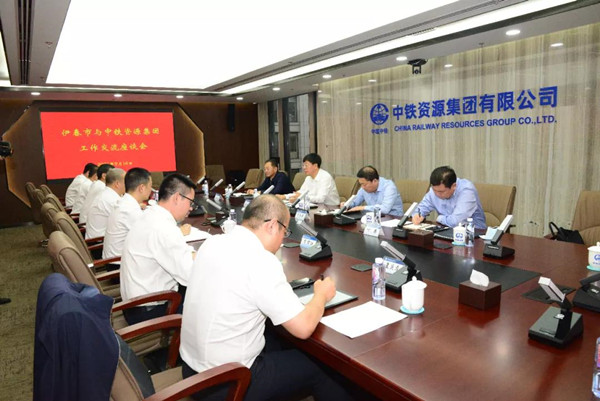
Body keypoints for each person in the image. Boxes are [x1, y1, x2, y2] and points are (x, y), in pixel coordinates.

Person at [180, 195, 351, 401]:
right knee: (322, 367)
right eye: (284, 232)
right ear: (271, 226)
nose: (282, 241)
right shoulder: (261, 260)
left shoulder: (213, 243)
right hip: (228, 383)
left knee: (278, 341)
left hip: (191, 372)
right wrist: (321, 295)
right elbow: (304, 328)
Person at [120, 173, 196, 325]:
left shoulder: (151, 215)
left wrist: (191, 255)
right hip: (148, 311)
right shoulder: (163, 228)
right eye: (190, 202)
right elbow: (190, 275)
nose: (191, 208)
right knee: (209, 293)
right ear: (177, 197)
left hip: (134, 304)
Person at [412, 166, 486, 229]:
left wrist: (439, 218)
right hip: (446, 231)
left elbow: (456, 221)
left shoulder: (467, 190)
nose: (437, 194)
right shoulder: (435, 190)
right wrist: (417, 215)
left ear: (454, 186)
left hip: (473, 234)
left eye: (441, 192)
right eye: (434, 190)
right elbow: (419, 209)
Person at [102, 168, 152, 260]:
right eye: (150, 186)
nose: (151, 190)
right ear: (141, 188)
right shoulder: (130, 210)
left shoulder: (125, 202)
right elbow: (150, 238)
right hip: (118, 262)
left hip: (117, 258)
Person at [84, 168, 125, 239]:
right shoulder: (112, 200)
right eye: (126, 182)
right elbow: (126, 222)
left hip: (97, 238)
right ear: (117, 184)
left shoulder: (106, 193)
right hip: (99, 242)